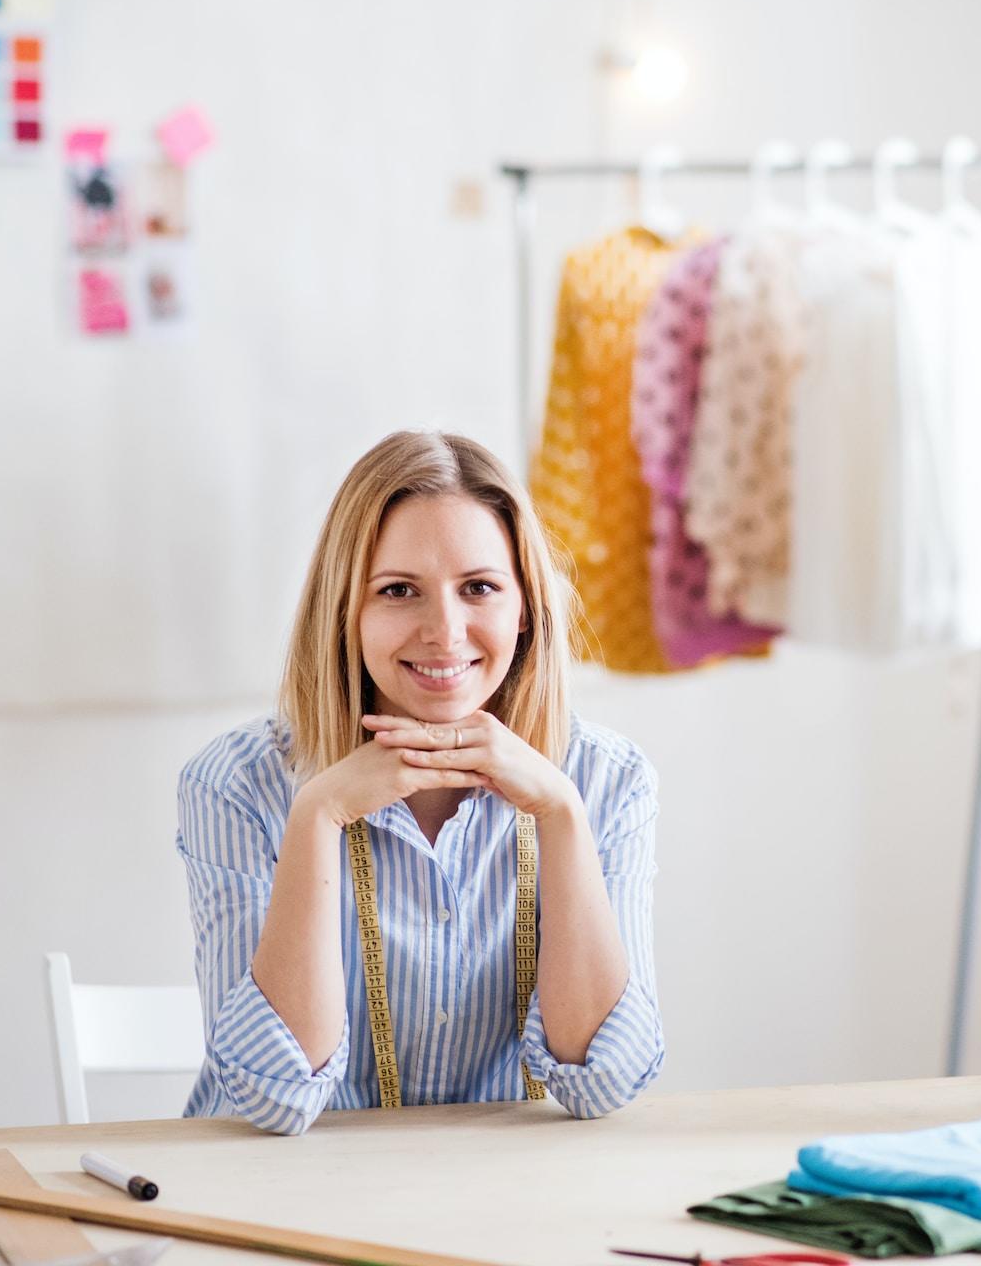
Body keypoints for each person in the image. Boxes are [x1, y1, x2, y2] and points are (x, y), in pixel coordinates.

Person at [177, 430, 663, 1134]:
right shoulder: (239, 786)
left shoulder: (606, 781)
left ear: (524, 609)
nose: (445, 631)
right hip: (280, 1198)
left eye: (480, 589)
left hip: (498, 1204)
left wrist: (560, 813)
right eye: (399, 590)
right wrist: (317, 813)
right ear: (345, 610)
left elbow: (605, 1084)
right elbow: (276, 1100)